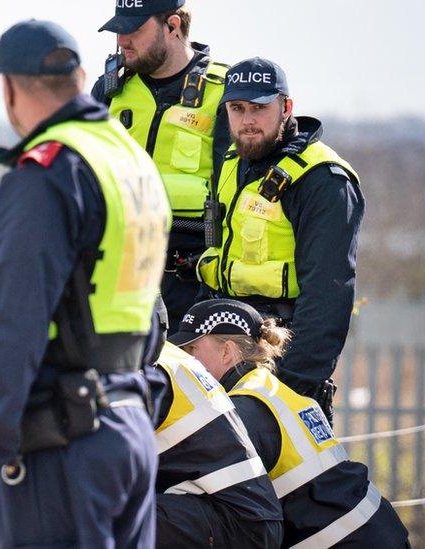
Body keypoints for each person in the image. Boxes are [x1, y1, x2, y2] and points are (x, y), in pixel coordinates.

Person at [0, 19, 170, 547]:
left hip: (64, 442)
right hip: (129, 425)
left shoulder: (49, 174)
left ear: (8, 88)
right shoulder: (129, 162)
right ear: (81, 75)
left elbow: (13, 323)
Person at [196, 58, 365, 424]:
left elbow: (328, 296)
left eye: (259, 108)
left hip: (282, 366)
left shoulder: (325, 180)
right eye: (237, 109)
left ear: (286, 108)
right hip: (223, 358)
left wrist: (289, 391)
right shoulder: (233, 160)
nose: (247, 121)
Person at [172, 299, 409, 548]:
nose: (186, 361)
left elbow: (192, 490)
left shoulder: (242, 410)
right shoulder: (268, 390)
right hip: (375, 531)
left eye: (192, 350)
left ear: (226, 351)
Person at [92, 0, 230, 333]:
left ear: (173, 26)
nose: (122, 40)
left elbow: (238, 189)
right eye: (118, 30)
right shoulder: (109, 91)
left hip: (192, 285)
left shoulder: (225, 93)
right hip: (118, 275)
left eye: (134, 29)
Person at [147, 307, 282, 548]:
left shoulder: (248, 404)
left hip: (239, 525)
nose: (187, 355)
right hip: (255, 522)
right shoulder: (263, 388)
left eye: (192, 348)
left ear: (227, 351)